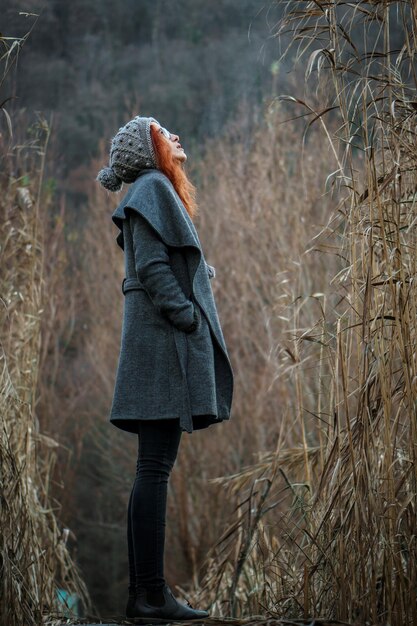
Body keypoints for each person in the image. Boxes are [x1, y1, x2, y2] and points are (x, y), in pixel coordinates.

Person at [96, 115, 234, 622]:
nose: (176, 135)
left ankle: (146, 594)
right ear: (149, 150)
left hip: (154, 350)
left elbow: (161, 262)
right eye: (163, 131)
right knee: (154, 469)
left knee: (150, 468)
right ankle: (151, 595)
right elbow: (153, 268)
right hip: (159, 349)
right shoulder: (153, 187)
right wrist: (188, 316)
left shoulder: (153, 189)